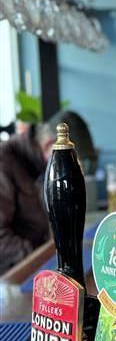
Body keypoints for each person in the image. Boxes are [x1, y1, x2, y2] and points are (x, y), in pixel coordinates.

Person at [0, 110, 96, 276]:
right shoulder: (4, 162)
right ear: (49, 145)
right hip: (14, 279)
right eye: (71, 165)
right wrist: (45, 256)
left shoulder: (42, 162)